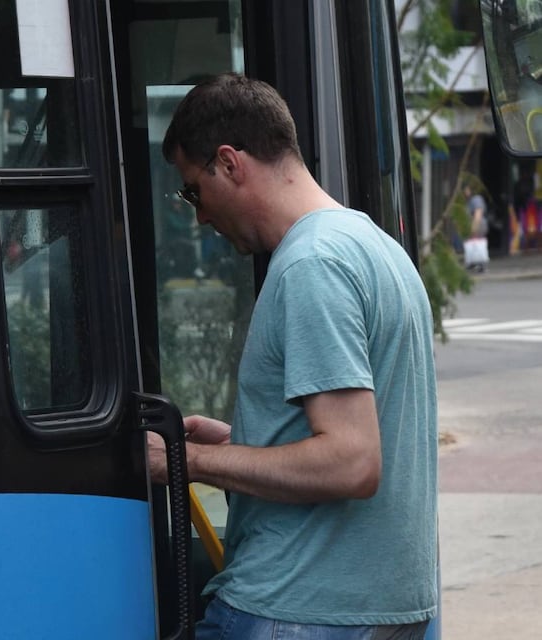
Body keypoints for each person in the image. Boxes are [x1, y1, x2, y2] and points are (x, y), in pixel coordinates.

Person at [150, 73, 437, 639]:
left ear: (229, 163)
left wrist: (187, 462)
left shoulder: (312, 265)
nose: (200, 215)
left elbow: (351, 462)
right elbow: (358, 432)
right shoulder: (375, 247)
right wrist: (244, 442)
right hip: (379, 607)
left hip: (298, 610)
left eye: (193, 191)